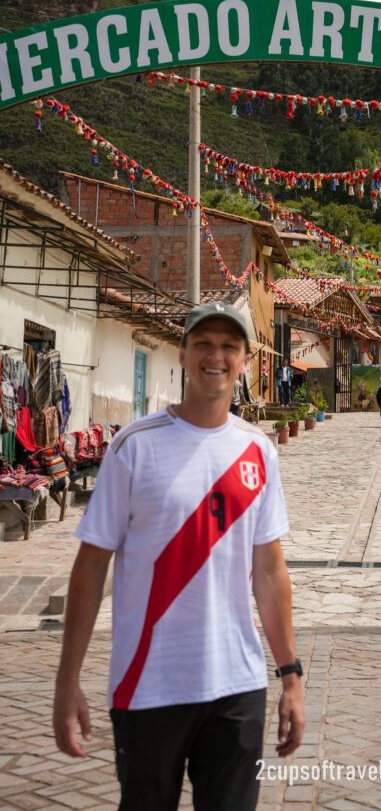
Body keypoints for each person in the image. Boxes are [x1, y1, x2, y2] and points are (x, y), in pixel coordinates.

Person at [53, 301, 304, 811]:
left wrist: (291, 677)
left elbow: (270, 573)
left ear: (245, 361)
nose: (217, 356)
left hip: (237, 686)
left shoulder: (259, 451)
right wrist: (67, 681)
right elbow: (90, 565)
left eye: (229, 346)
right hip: (148, 684)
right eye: (204, 345)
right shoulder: (134, 446)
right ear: (184, 354)